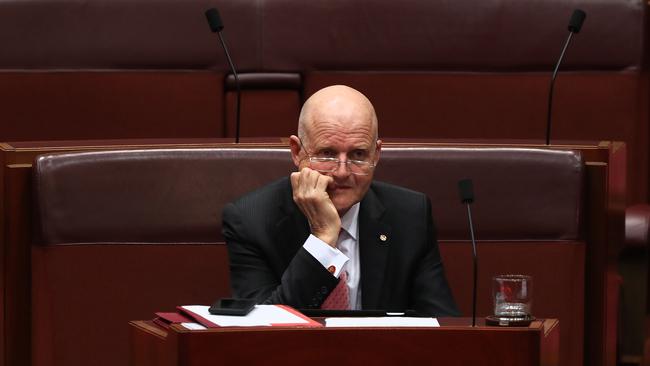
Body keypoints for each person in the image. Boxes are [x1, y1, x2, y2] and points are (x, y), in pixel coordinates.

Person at [223, 85, 459, 316]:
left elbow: (443, 324)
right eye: (327, 153)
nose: (343, 172)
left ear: (376, 155)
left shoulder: (410, 214)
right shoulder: (250, 220)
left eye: (358, 155)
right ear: (297, 151)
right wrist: (323, 239)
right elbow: (262, 328)